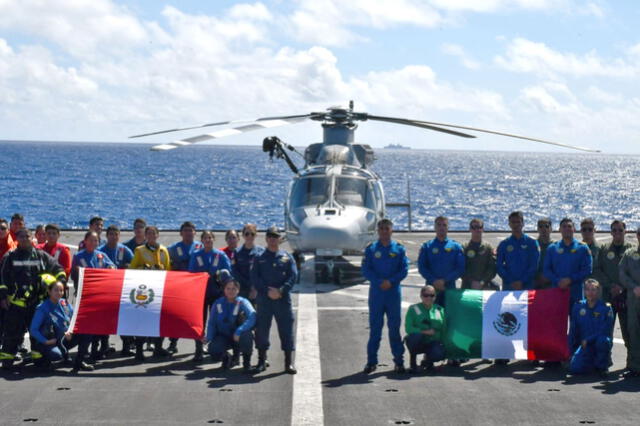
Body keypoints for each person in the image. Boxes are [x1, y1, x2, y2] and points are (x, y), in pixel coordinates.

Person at [0, 228, 67, 369]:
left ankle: (39, 359)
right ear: (17, 239)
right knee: (12, 334)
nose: (24, 239)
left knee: (38, 332)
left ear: (32, 238)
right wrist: (2, 296)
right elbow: (2, 277)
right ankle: (7, 361)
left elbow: (58, 269)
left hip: (37, 305)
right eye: (21, 236)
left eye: (27, 236)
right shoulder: (9, 256)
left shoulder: (41, 256)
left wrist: (60, 282)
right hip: (15, 304)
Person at [361, 219, 409, 374]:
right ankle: (371, 362)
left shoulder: (399, 249)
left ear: (391, 230)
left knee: (394, 329)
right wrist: (379, 281)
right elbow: (366, 269)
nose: (383, 231)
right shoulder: (371, 249)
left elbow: (404, 269)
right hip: (377, 293)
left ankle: (399, 362)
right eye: (381, 228)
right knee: (375, 330)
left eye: (386, 229)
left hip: (393, 293)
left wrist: (391, 281)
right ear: (377, 231)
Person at [251, 226, 298, 374]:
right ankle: (261, 360)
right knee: (262, 330)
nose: (272, 239)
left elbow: (293, 276)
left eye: (275, 237)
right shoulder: (259, 257)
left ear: (279, 239)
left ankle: (288, 362)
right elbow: (255, 277)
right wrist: (267, 291)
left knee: (286, 331)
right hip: (264, 300)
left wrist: (281, 291)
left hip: (282, 300)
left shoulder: (286, 257)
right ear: (266, 239)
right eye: (270, 237)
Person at [71, 231, 116, 362]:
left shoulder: (101, 255)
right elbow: (74, 276)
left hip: (101, 296)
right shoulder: (79, 256)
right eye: (90, 240)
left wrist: (112, 267)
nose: (93, 243)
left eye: (95, 241)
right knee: (88, 325)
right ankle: (86, 351)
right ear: (85, 241)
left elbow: (112, 266)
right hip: (87, 296)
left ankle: (101, 348)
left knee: (102, 323)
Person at [29, 280, 93, 371]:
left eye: (61, 290)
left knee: (87, 333)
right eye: (56, 290)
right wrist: (46, 341)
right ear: (49, 291)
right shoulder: (42, 308)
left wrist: (71, 331)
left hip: (65, 339)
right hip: (51, 342)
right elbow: (33, 330)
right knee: (56, 355)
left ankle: (79, 363)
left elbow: (75, 319)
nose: (59, 293)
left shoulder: (65, 303)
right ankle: (45, 358)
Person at [130, 226, 171, 361]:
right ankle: (140, 350)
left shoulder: (164, 250)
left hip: (160, 290)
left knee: (161, 320)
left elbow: (169, 271)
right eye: (149, 233)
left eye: (154, 233)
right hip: (144, 291)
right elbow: (132, 268)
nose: (151, 236)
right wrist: (145, 268)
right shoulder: (139, 250)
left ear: (158, 235)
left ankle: (158, 347)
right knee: (142, 320)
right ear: (146, 236)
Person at [188, 230, 231, 362]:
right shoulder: (196, 255)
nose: (208, 240)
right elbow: (190, 273)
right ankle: (198, 349)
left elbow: (229, 274)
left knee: (217, 322)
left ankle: (216, 348)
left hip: (216, 295)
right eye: (205, 238)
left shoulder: (220, 255)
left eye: (210, 238)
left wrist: (220, 276)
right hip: (200, 295)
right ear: (202, 240)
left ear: (213, 239)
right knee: (200, 322)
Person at [203, 270, 256, 373]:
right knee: (213, 349)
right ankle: (227, 357)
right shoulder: (218, 303)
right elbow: (212, 323)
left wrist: (239, 330)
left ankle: (246, 363)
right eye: (228, 288)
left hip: (239, 335)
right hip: (224, 336)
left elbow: (253, 316)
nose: (231, 291)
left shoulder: (243, 302)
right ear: (224, 290)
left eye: (233, 289)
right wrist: (208, 337)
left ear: (238, 290)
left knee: (247, 336)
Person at [98, 225, 135, 356]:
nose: (113, 237)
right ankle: (104, 345)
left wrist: (126, 267)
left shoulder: (125, 250)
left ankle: (126, 345)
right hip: (106, 291)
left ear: (119, 236)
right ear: (107, 236)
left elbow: (134, 265)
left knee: (124, 318)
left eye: (116, 234)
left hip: (122, 291)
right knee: (104, 319)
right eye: (111, 234)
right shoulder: (100, 251)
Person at [167, 221, 202, 353]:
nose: (188, 233)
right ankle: (173, 343)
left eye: (191, 230)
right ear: (181, 233)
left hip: (196, 289)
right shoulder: (173, 248)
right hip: (179, 289)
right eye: (185, 230)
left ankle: (199, 345)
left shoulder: (201, 246)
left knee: (198, 318)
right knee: (176, 317)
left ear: (195, 232)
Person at [597, 220, 633, 348]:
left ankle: (633, 363)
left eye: (620, 230)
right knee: (605, 331)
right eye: (614, 230)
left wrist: (623, 288)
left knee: (629, 332)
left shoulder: (632, 250)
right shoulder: (604, 249)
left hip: (627, 297)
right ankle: (604, 362)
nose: (617, 233)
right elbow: (598, 270)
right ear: (611, 232)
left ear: (625, 231)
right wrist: (611, 285)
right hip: (608, 296)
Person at [568, 279, 613, 376]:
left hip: (597, 342)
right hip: (584, 345)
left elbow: (605, 330)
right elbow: (573, 330)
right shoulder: (578, 306)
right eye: (587, 289)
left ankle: (602, 366)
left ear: (598, 291)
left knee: (603, 341)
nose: (590, 292)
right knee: (575, 368)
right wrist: (571, 351)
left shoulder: (606, 308)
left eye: (593, 289)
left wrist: (588, 340)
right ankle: (590, 362)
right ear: (584, 291)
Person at [544, 218, 592, 307]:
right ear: (559, 229)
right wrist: (558, 281)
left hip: (576, 292)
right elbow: (546, 270)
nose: (567, 229)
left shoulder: (582, 248)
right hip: (557, 291)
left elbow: (587, 269)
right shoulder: (552, 248)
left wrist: (570, 279)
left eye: (569, 226)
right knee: (558, 320)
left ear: (574, 229)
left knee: (577, 320)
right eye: (564, 226)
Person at [418, 216, 465, 307]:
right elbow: (422, 267)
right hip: (431, 290)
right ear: (434, 227)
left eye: (444, 225)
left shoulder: (456, 247)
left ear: (448, 228)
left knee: (449, 317)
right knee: (431, 316)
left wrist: (444, 280)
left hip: (449, 288)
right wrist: (434, 280)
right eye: (439, 225)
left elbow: (460, 268)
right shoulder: (427, 246)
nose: (441, 227)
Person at [404, 285, 446, 374]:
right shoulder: (413, 309)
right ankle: (413, 363)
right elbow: (408, 328)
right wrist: (425, 331)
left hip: (433, 341)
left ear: (435, 296)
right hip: (418, 341)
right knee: (415, 336)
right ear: (421, 296)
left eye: (432, 295)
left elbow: (444, 329)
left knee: (439, 353)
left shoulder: (440, 310)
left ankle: (428, 361)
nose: (429, 298)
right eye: (426, 295)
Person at [497, 211, 540, 291]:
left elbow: (534, 265)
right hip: (509, 286)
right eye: (513, 222)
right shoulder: (504, 244)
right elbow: (499, 265)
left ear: (523, 223)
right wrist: (510, 280)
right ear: (509, 224)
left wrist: (522, 281)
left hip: (527, 285)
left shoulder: (531, 243)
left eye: (518, 222)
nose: (516, 225)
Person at [618, 229, 640, 378]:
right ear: (638, 236)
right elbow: (622, 273)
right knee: (633, 330)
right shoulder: (630, 254)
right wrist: (634, 287)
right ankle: (635, 366)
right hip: (633, 299)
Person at [461, 218, 497, 290]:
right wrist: (471, 282)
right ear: (470, 229)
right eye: (474, 227)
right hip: (467, 285)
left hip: (484, 285)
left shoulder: (488, 248)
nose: (477, 230)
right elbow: (461, 268)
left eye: (479, 227)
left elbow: (492, 268)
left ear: (483, 229)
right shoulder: (464, 247)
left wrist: (482, 282)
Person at [234, 224, 264, 301]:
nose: (249, 236)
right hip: (242, 290)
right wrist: (248, 285)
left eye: (252, 234)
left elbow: (263, 272)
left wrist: (255, 288)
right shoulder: (237, 252)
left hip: (257, 291)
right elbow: (235, 272)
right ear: (243, 235)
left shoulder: (261, 252)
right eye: (247, 234)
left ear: (256, 235)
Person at [535, 217, 554, 289]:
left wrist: (550, 277)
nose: (544, 229)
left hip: (551, 283)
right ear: (537, 229)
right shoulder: (532, 245)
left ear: (551, 229)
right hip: (535, 283)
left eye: (546, 226)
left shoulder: (556, 246)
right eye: (541, 226)